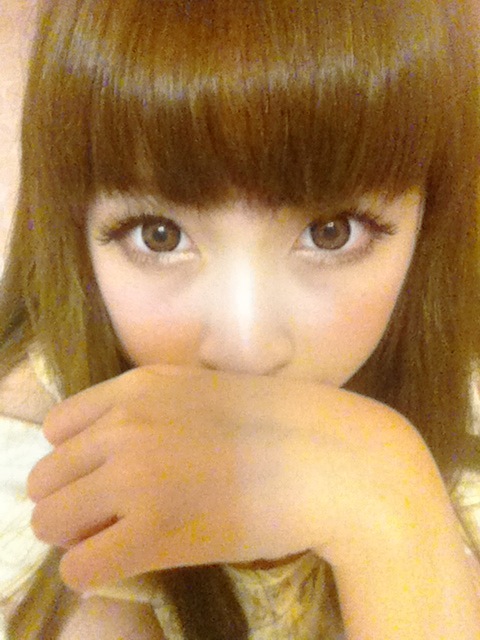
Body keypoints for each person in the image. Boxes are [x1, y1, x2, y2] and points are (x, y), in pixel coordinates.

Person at [1, 0, 480, 637]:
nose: (245, 347)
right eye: (160, 234)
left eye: (331, 232)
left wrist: (391, 515)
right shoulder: (28, 475)